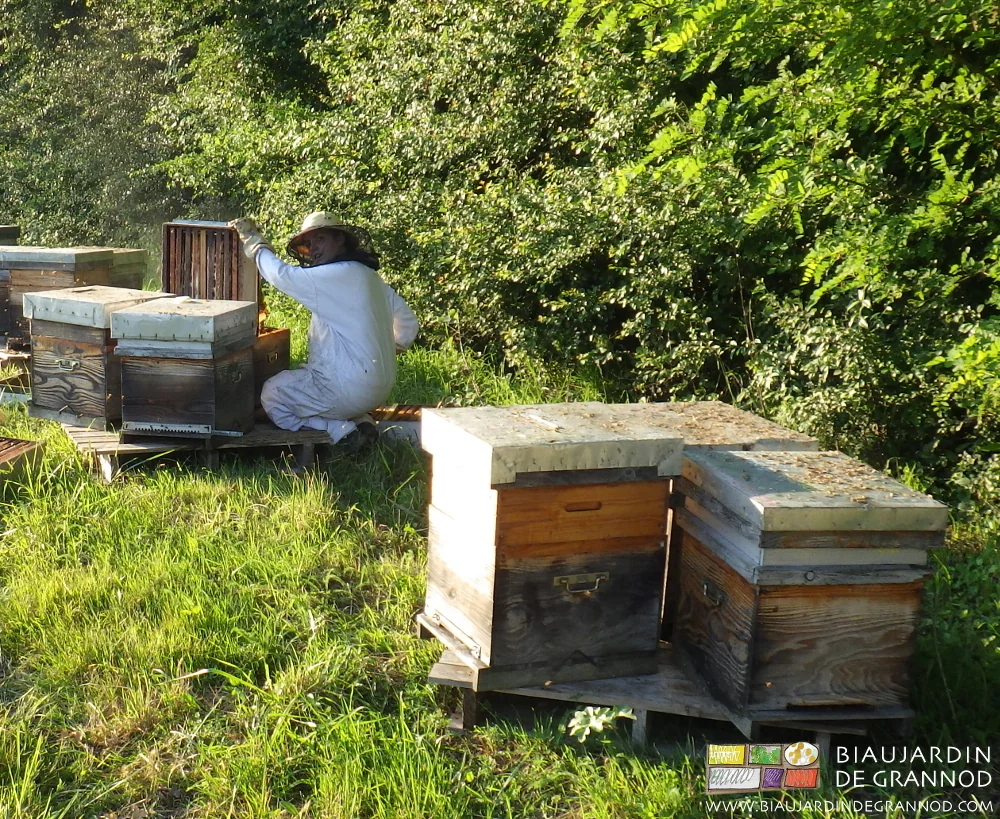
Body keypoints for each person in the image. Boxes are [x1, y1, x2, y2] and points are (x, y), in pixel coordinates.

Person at [229, 212, 419, 446]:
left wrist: (254, 243)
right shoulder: (371, 277)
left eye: (320, 239)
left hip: (349, 387)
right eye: (309, 243)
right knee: (319, 388)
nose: (313, 247)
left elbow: (282, 275)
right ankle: (362, 423)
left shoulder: (338, 273)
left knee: (274, 393)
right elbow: (408, 324)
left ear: (340, 239)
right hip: (380, 387)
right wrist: (382, 350)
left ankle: (341, 432)